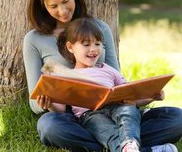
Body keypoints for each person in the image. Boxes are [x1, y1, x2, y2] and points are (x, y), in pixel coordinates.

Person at [23, 0, 182, 151]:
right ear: (43, 6)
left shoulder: (99, 28)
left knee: (177, 118)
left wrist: (144, 95)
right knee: (49, 126)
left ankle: (118, 143)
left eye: (66, 1)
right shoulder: (34, 39)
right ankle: (129, 144)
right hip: (76, 117)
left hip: (115, 110)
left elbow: (118, 81)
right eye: (53, 6)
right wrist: (47, 102)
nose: (63, 10)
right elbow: (34, 103)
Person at [54, 17, 165, 151]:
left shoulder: (108, 69)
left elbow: (131, 97)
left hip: (118, 107)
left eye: (97, 43)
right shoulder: (68, 77)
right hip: (91, 115)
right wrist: (49, 103)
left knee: (129, 110)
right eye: (86, 44)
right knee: (105, 130)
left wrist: (152, 96)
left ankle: (130, 144)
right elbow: (59, 110)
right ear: (71, 47)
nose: (93, 49)